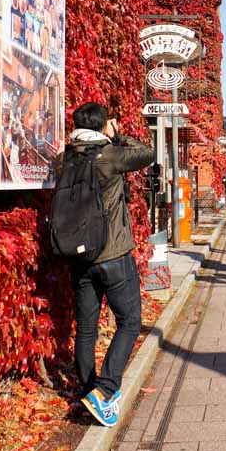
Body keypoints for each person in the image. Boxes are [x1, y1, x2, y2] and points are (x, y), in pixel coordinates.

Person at [62, 102, 153, 427]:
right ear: (102, 126)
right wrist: (117, 135)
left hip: (78, 257)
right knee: (129, 321)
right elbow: (147, 153)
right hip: (113, 254)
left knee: (85, 330)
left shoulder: (67, 158)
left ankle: (88, 393)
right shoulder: (108, 155)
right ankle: (104, 392)